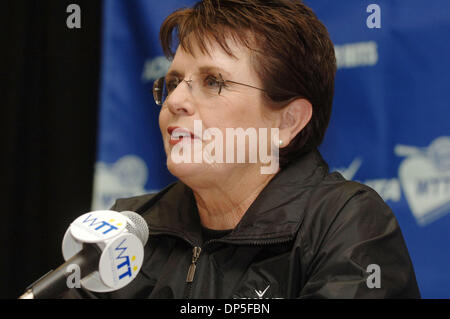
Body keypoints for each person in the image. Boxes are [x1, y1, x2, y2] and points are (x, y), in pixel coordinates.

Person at [67, 0, 420, 298]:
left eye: (212, 81)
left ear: (287, 122)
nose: (175, 101)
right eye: (173, 82)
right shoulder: (130, 231)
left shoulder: (346, 226)